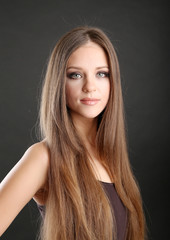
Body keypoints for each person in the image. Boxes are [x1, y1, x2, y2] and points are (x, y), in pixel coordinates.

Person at [0, 26, 146, 240]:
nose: (90, 86)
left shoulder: (112, 157)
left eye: (101, 74)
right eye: (75, 75)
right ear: (59, 82)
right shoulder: (44, 157)